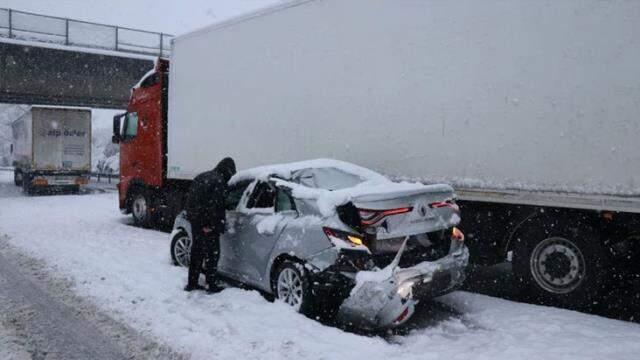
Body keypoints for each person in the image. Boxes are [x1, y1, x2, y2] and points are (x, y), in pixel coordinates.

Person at [184, 157, 236, 292]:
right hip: (207, 224)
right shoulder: (218, 181)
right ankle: (211, 284)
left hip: (196, 222)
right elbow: (215, 206)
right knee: (212, 254)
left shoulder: (202, 176)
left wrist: (195, 220)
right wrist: (210, 225)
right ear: (227, 170)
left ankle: (192, 283)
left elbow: (190, 200)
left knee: (197, 253)